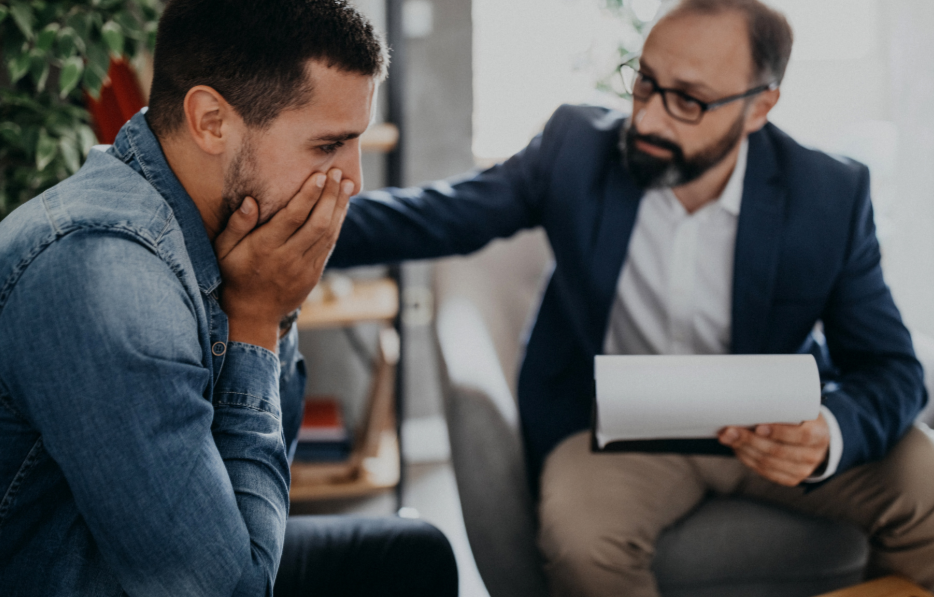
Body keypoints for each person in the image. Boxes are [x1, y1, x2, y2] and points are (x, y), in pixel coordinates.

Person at [266, 0, 930, 593]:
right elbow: (435, 216)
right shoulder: (578, 149)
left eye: (688, 101)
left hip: (770, 431)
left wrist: (830, 433)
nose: (648, 116)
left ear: (759, 107)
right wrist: (271, 217)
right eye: (645, 81)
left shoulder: (829, 195)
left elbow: (893, 368)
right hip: (617, 434)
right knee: (583, 542)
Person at [0, 1, 457, 596]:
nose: (353, 180)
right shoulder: (108, 275)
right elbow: (234, 590)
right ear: (211, 122)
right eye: (328, 145)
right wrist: (259, 320)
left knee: (413, 554)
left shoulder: (202, 217)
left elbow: (265, 475)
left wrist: (272, 313)